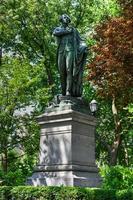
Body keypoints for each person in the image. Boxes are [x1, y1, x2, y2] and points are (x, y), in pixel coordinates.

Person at [53, 14, 87, 97]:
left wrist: (84, 46)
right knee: (61, 72)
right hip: (61, 51)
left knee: (69, 70)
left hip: (70, 51)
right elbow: (55, 33)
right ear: (61, 19)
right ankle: (63, 92)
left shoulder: (74, 30)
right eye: (65, 17)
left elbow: (80, 40)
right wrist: (67, 31)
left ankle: (68, 91)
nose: (67, 19)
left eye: (68, 18)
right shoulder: (58, 29)